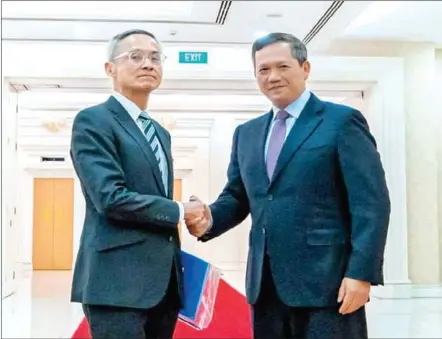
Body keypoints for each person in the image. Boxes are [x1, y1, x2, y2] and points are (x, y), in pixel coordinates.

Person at [185, 32, 391, 339]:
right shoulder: (247, 133)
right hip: (264, 286)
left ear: (305, 69)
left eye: (282, 66)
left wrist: (360, 273)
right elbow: (238, 196)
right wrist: (209, 219)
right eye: (263, 70)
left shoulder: (341, 122)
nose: (273, 77)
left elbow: (371, 203)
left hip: (328, 284)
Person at [70, 29, 205, 339]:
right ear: (110, 68)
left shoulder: (159, 132)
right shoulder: (94, 121)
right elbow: (110, 197)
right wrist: (179, 210)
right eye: (136, 56)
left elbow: (152, 199)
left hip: (164, 285)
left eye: (155, 57)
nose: (148, 64)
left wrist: (188, 215)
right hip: (116, 284)